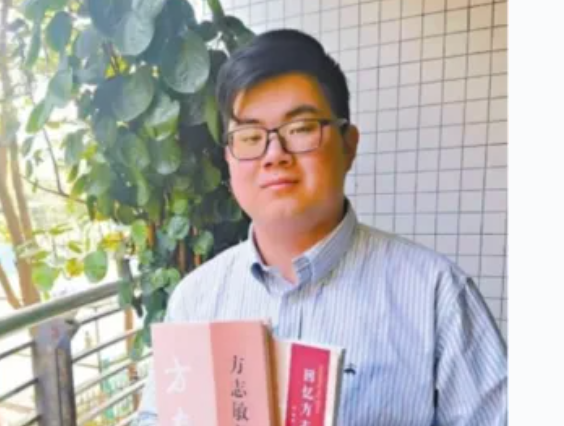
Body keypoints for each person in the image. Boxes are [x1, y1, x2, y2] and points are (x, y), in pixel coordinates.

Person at [136, 29, 507, 425]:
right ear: (229, 158)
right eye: (250, 136)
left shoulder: (437, 296)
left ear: (349, 145)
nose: (274, 155)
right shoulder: (195, 300)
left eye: (300, 129)